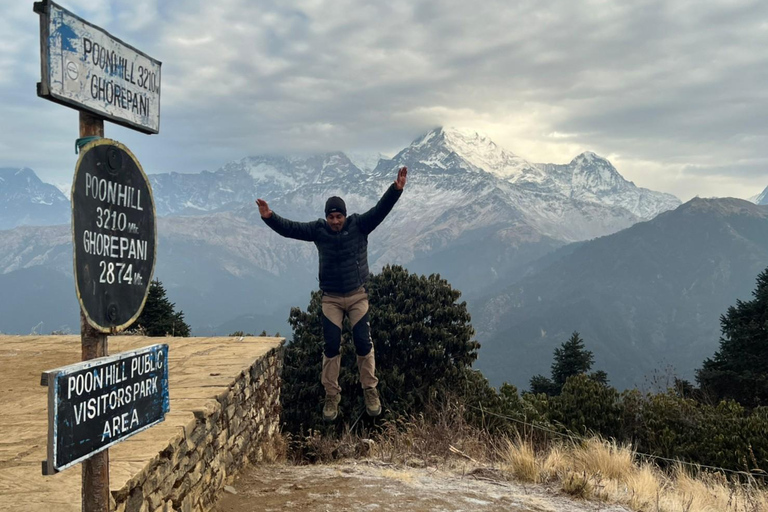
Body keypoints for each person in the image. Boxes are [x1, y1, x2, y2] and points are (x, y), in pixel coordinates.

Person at [256, 166, 407, 421]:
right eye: (331, 217)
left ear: (345, 216)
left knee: (363, 342)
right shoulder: (318, 230)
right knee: (331, 345)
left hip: (358, 295)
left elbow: (381, 210)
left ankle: (370, 390)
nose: (335, 221)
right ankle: (331, 395)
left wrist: (396, 190)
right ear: (326, 218)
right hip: (331, 299)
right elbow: (291, 229)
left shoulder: (360, 225)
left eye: (339, 217)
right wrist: (270, 217)